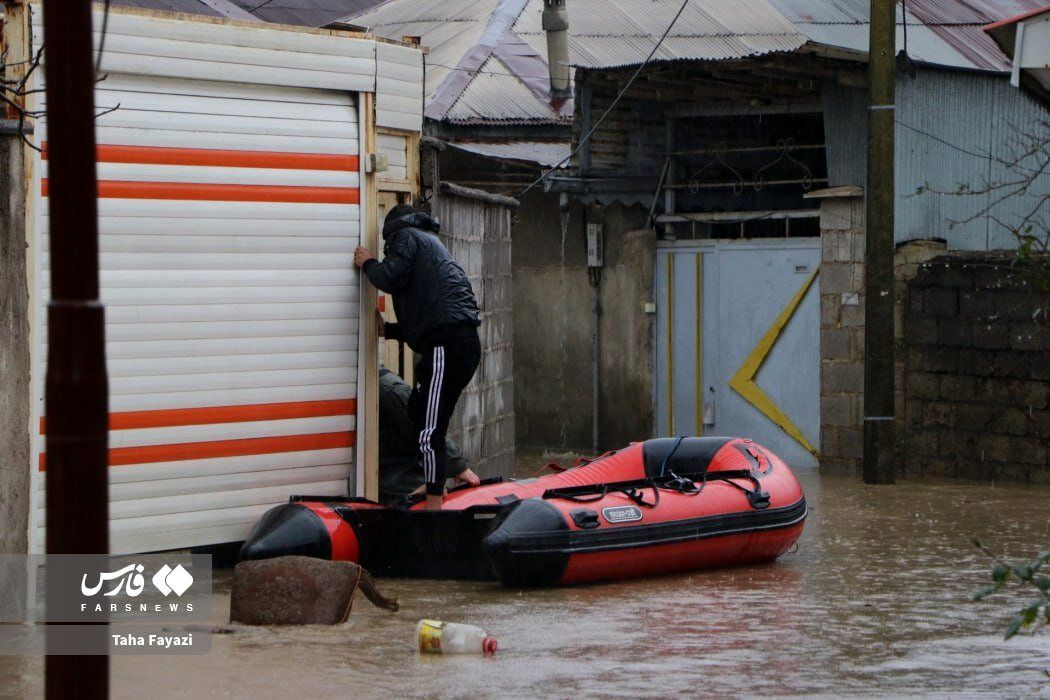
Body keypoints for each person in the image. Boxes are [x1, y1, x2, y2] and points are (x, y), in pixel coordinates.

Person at [354, 203, 482, 510]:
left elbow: (389, 276)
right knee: (419, 410)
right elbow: (427, 310)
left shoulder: (406, 236)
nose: (388, 249)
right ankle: (434, 482)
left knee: (429, 428)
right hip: (455, 342)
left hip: (446, 345)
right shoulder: (428, 242)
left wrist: (369, 262)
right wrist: (393, 332)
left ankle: (434, 507)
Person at [378, 367, 479, 504]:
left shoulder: (390, 391)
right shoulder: (386, 389)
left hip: (401, 475)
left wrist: (458, 467)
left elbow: (429, 425)